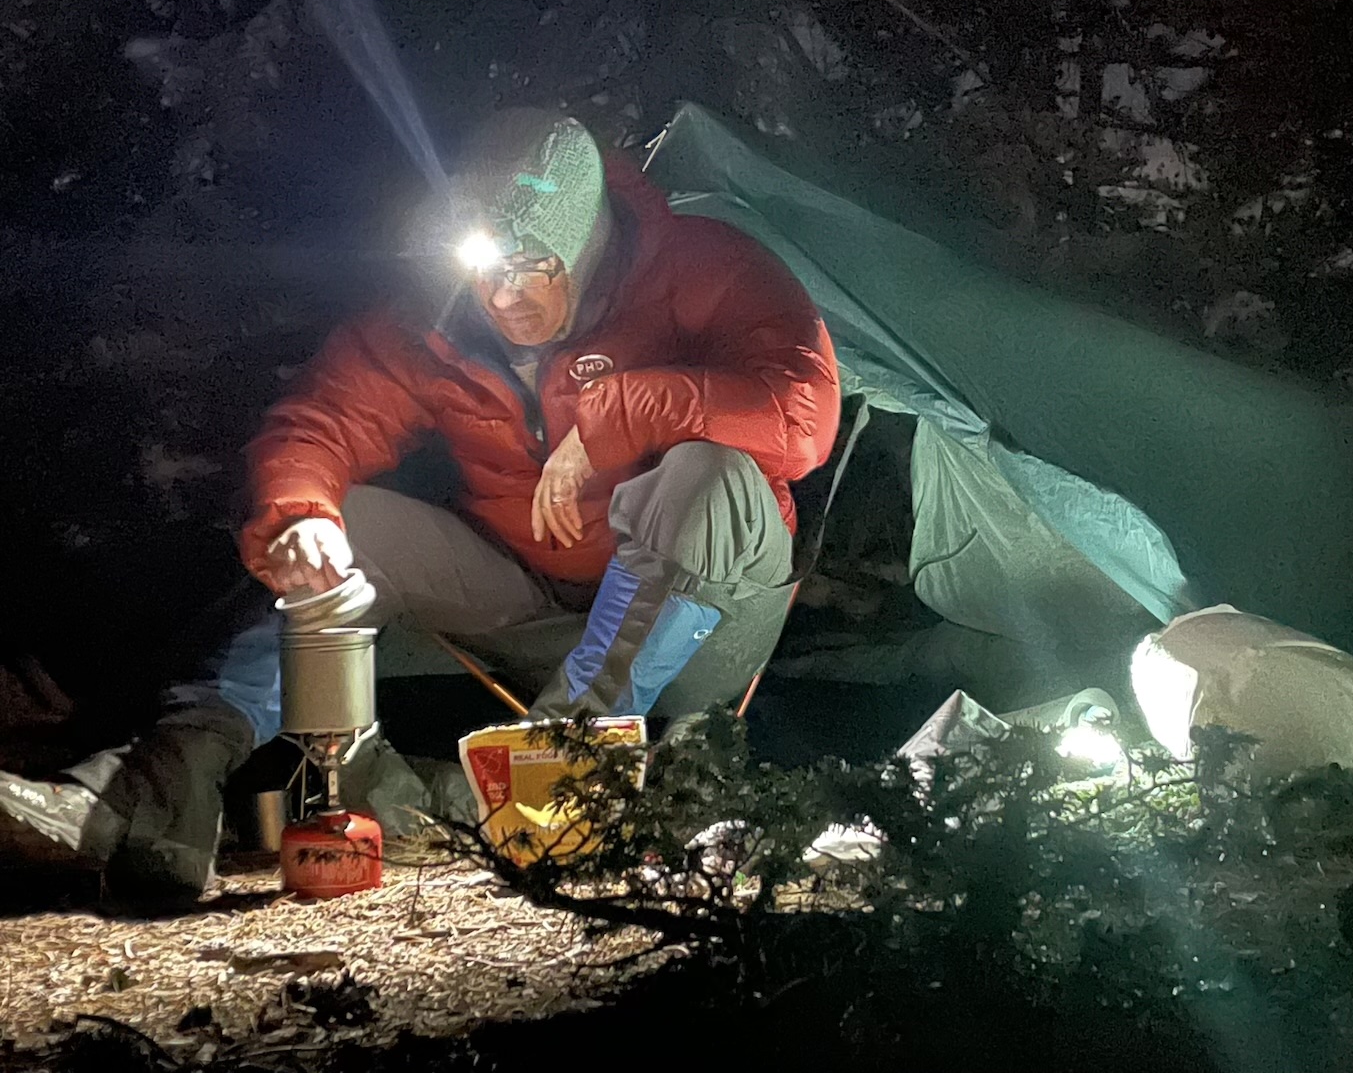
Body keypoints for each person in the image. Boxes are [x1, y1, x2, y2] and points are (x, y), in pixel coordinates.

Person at [0, 110, 841, 903]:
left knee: (704, 475)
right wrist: (301, 514)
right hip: (539, 606)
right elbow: (321, 423)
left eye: (529, 267)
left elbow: (802, 414)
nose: (502, 296)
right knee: (339, 524)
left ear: (583, 247)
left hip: (708, 617)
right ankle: (154, 793)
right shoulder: (436, 323)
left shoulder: (701, 267)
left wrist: (617, 413)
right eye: (483, 269)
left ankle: (556, 773)